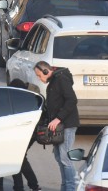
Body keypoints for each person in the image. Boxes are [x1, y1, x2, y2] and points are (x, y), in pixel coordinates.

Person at [33, 61, 79, 191]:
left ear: (46, 71)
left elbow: (72, 100)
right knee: (59, 158)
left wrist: (58, 118)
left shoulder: (61, 79)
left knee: (65, 159)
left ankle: (71, 188)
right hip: (58, 126)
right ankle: (65, 187)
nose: (38, 78)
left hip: (67, 125)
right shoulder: (53, 82)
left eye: (39, 75)